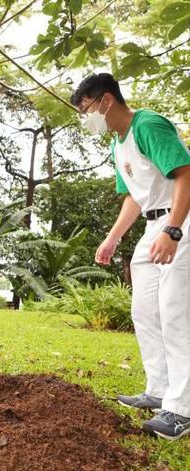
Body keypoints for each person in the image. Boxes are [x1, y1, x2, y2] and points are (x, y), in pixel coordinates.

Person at [71, 73, 190, 440]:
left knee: (174, 312)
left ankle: (182, 409)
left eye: (85, 109)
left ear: (106, 101)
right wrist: (112, 239)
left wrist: (173, 230)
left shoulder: (148, 125)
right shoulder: (116, 144)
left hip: (179, 219)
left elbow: (185, 174)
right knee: (144, 309)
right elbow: (134, 198)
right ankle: (158, 389)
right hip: (153, 224)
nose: (84, 118)